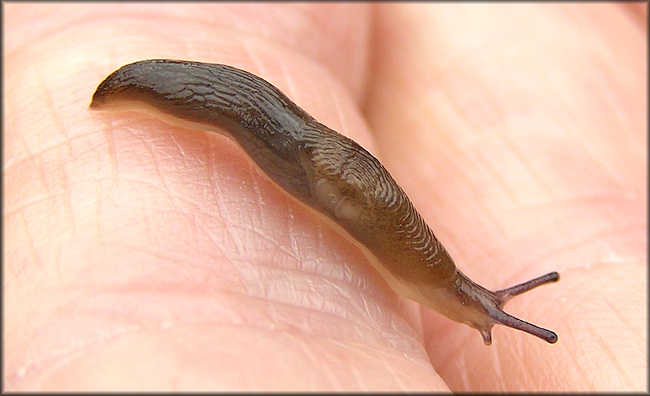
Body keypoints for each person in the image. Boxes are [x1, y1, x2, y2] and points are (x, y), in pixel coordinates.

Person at [4, 3, 646, 391]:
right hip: (267, 119)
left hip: (313, 150)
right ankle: (455, 290)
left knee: (336, 175)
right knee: (257, 117)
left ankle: (458, 291)